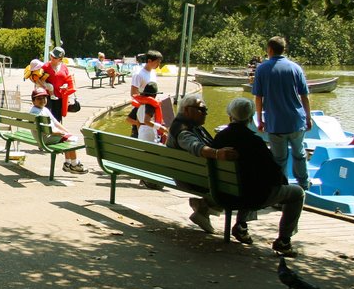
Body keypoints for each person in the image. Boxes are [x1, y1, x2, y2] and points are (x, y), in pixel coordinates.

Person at [212, 97, 306, 256]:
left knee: (248, 181)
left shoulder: (219, 138)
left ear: (230, 116)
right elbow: (274, 174)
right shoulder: (255, 142)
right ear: (250, 119)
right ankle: (284, 241)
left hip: (224, 191)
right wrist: (282, 182)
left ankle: (241, 226)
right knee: (297, 193)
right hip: (249, 197)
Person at [165, 93, 238, 235]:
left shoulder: (188, 125)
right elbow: (195, 146)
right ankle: (206, 208)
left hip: (192, 173)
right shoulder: (182, 130)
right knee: (239, 186)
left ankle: (203, 209)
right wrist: (217, 153)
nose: (205, 113)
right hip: (191, 178)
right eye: (201, 110)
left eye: (206, 110)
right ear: (186, 110)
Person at [252, 36, 313, 190]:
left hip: (275, 122)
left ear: (270, 50)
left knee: (279, 159)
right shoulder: (295, 68)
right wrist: (308, 118)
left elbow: (258, 98)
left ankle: (281, 187)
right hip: (296, 121)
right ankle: (303, 185)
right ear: (283, 49)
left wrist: (259, 119)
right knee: (299, 155)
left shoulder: (262, 69)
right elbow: (304, 96)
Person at [28, 87, 88, 174]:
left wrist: (66, 132)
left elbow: (56, 123)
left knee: (69, 137)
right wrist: (61, 133)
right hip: (45, 138)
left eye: (44, 98)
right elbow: (46, 130)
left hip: (45, 136)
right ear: (33, 101)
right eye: (39, 98)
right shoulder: (36, 113)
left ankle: (67, 163)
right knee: (71, 140)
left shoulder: (43, 109)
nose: (42, 100)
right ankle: (74, 165)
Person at [129, 50, 163, 137]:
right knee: (137, 136)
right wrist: (147, 102)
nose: (158, 65)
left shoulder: (153, 72)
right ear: (149, 61)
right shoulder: (139, 74)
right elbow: (133, 93)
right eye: (157, 63)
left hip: (150, 110)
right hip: (141, 110)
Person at [41, 47, 75, 122]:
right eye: (51, 55)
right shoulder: (45, 67)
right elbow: (39, 81)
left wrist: (66, 85)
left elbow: (68, 80)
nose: (52, 58)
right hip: (48, 97)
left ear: (60, 59)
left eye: (55, 57)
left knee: (57, 119)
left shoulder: (64, 67)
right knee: (48, 118)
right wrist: (46, 85)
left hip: (60, 97)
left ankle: (57, 132)